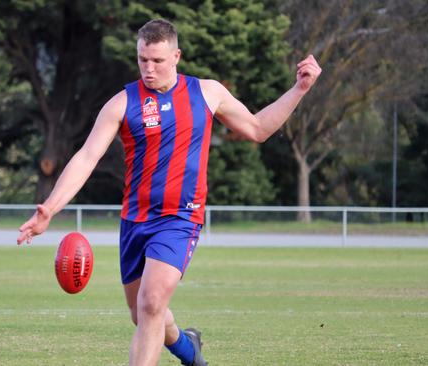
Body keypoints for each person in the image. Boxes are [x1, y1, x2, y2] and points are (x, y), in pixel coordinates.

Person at [17, 19, 321, 366]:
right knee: (143, 313)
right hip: (135, 221)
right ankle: (189, 351)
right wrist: (50, 209)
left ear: (176, 56)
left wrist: (299, 89)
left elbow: (258, 128)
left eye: (158, 61)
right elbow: (86, 157)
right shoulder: (122, 103)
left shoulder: (207, 93)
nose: (149, 68)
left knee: (150, 303)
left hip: (180, 218)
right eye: (143, 60)